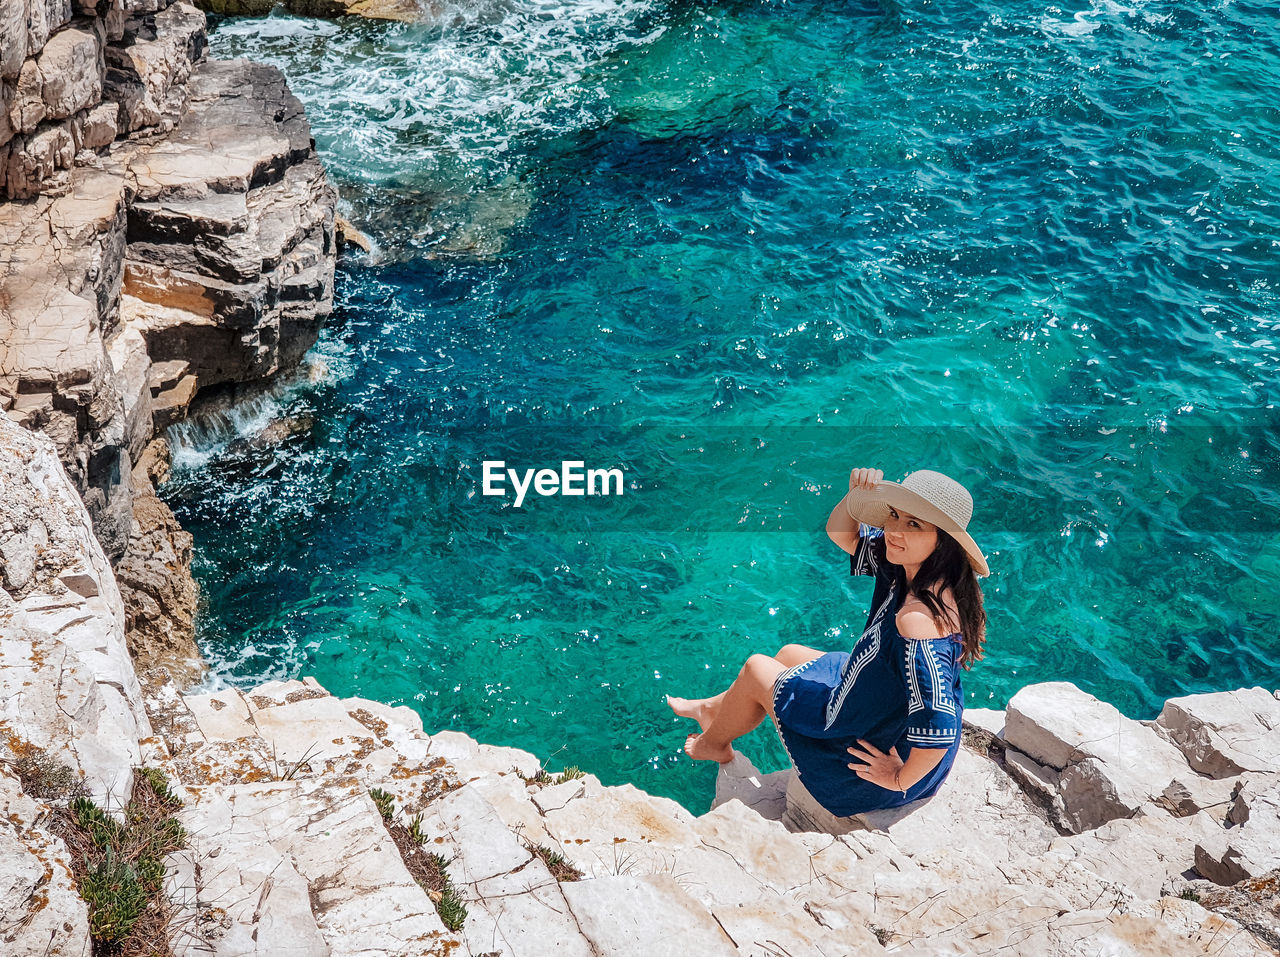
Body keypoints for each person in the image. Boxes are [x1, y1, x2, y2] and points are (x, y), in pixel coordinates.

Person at [667, 467, 989, 817]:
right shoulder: (917, 569)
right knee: (789, 654)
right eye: (894, 515)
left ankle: (712, 744)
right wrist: (854, 496)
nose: (894, 530)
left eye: (914, 525)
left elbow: (938, 723)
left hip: (859, 765)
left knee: (756, 668)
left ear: (944, 540)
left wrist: (898, 778)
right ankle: (714, 710)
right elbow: (842, 535)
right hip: (877, 705)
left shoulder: (918, 620)